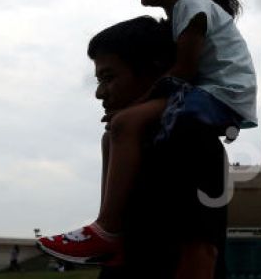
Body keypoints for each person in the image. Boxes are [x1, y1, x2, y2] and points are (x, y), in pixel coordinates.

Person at [39, 0, 256, 268]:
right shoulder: (185, 12)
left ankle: (108, 230)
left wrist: (139, 104)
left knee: (125, 123)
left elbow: (182, 70)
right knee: (114, 134)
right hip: (210, 95)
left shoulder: (191, 5)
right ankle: (111, 228)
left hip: (217, 97)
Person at [90, 16, 229, 277]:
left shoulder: (191, 140)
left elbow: (199, 257)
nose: (99, 93)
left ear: (155, 73)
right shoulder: (118, 143)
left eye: (108, 77)